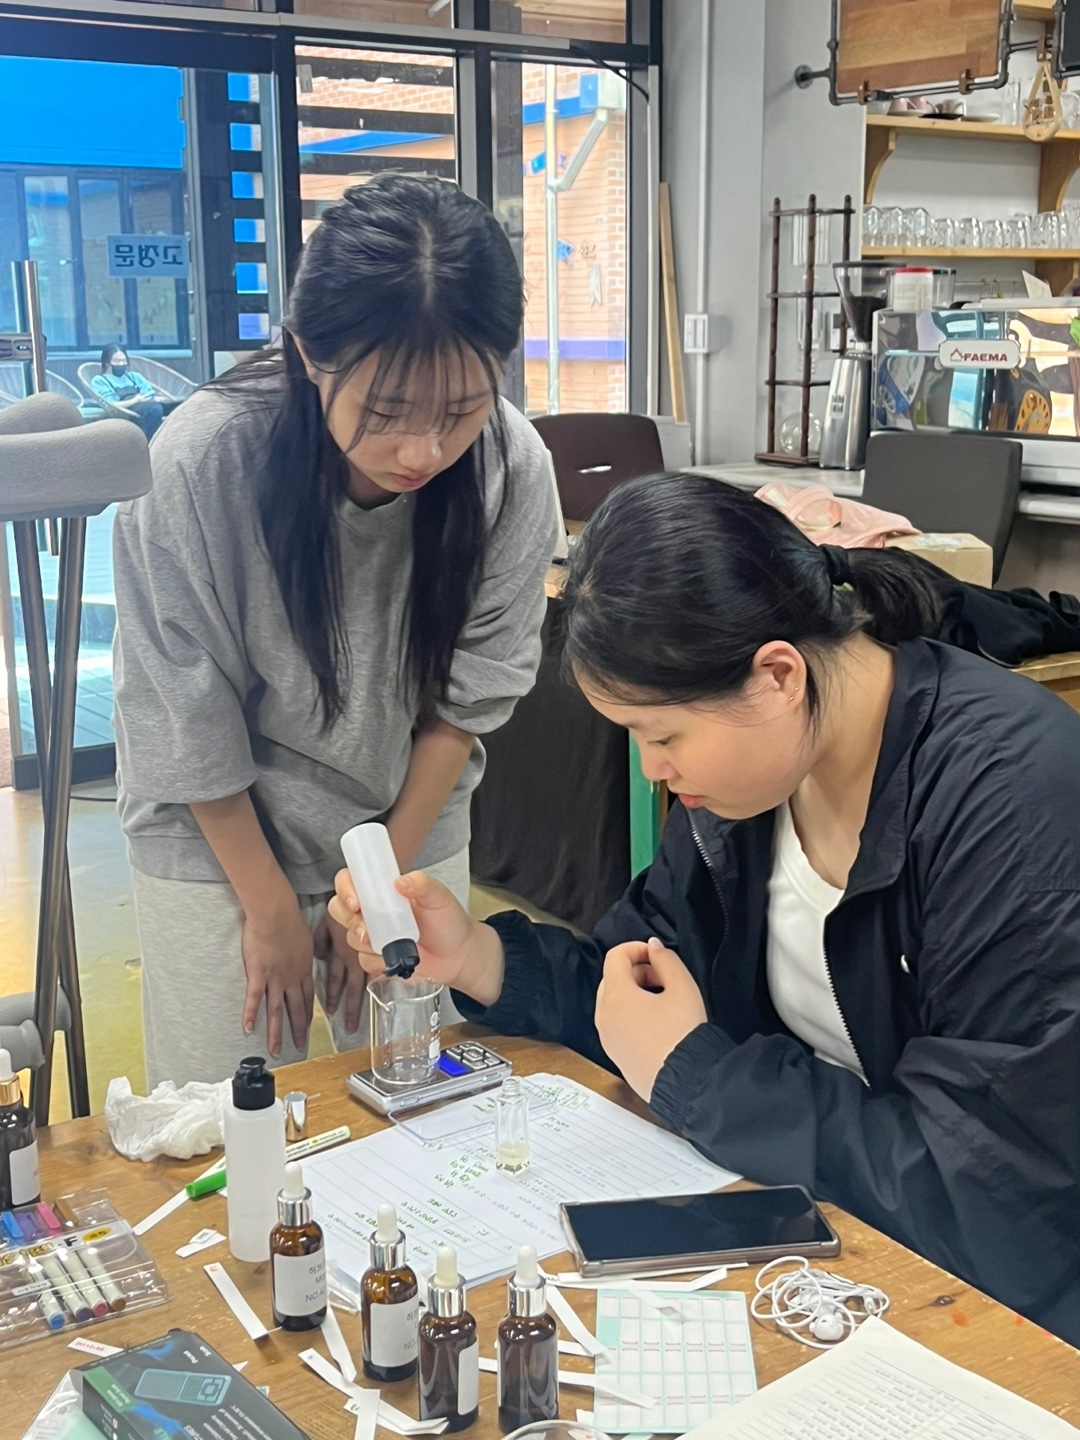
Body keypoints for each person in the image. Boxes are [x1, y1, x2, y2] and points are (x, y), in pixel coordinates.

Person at [331, 474, 1080, 1346]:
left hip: (997, 1308)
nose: (653, 770)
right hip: (837, 1245)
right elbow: (643, 986)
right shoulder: (748, 787)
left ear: (777, 675)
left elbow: (989, 1188)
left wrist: (698, 1076)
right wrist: (477, 958)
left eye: (663, 736)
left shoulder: (1013, 807)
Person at [113, 176, 560, 1087]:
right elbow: (183, 717)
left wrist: (381, 878)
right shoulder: (200, 463)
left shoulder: (511, 468)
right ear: (306, 354)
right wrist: (270, 907)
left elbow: (465, 702)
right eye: (387, 412)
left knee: (420, 1100)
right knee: (229, 1112)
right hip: (218, 836)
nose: (423, 452)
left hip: (408, 816)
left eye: (460, 411)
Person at [90, 345, 165, 439]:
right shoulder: (99, 380)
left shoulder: (134, 376)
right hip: (125, 411)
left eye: (124, 360)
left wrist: (155, 398)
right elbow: (110, 405)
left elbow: (148, 392)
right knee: (154, 409)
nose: (121, 364)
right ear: (107, 363)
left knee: (176, 406)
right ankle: (147, 441)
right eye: (117, 361)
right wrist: (135, 400)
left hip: (146, 403)